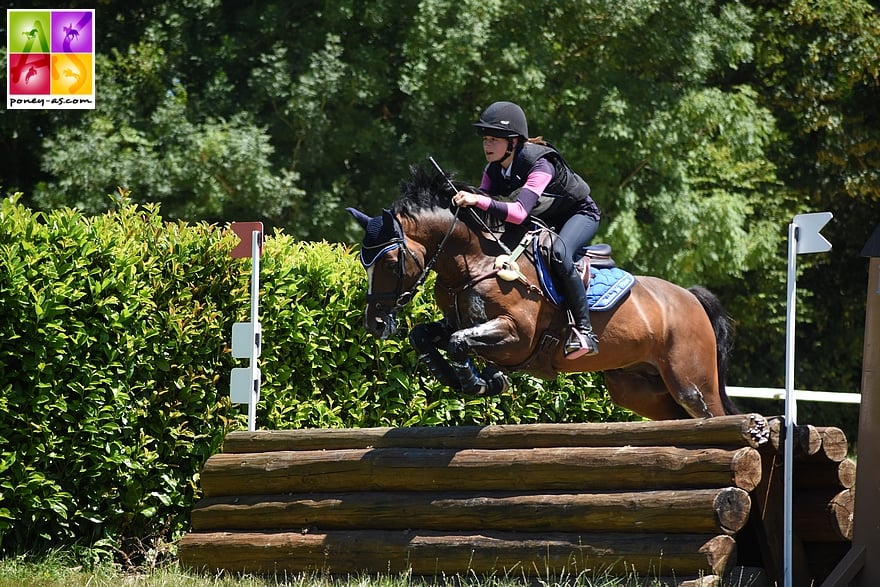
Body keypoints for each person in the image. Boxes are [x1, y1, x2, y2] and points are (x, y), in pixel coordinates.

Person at [452, 101, 602, 359]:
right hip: (544, 218)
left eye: (494, 140)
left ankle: (585, 331)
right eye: (485, 139)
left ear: (513, 142)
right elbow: (485, 209)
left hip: (579, 215)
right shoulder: (494, 169)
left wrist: (478, 200)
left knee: (558, 253)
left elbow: (519, 211)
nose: (487, 145)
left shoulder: (540, 164)